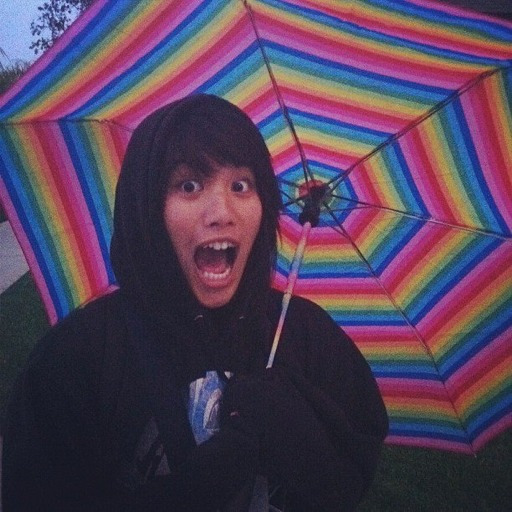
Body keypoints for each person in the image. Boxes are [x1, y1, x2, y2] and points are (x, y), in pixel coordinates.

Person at [1, 94, 388, 511]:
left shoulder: (307, 336)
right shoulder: (76, 360)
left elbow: (350, 477)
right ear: (147, 205)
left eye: (241, 185)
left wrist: (304, 445)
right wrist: (190, 492)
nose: (222, 212)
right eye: (189, 185)